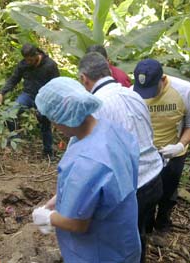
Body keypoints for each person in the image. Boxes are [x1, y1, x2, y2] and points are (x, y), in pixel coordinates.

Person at [32, 77, 141, 263]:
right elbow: (105, 185)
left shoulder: (87, 161)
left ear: (61, 118)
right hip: (124, 240)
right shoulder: (111, 130)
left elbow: (77, 224)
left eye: (53, 120)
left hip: (99, 252)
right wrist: (63, 197)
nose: (55, 127)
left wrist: (48, 218)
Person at [78, 52, 163, 262]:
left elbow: (90, 158)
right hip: (155, 176)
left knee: (120, 242)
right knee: (138, 234)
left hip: (134, 185)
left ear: (83, 79)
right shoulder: (133, 94)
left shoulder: (95, 106)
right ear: (108, 69)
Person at [133, 59, 190, 232]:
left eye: (151, 90)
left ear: (162, 79)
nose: (147, 95)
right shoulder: (132, 93)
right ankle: (146, 228)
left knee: (168, 192)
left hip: (174, 153)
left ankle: (163, 223)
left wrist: (179, 146)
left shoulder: (185, 91)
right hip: (146, 155)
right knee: (146, 193)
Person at [0, 43, 60, 157]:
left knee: (44, 123)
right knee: (10, 115)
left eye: (30, 60)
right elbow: (14, 79)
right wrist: (2, 93)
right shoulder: (23, 65)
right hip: (28, 95)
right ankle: (16, 144)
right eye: (26, 60)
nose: (28, 62)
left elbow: (57, 85)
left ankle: (48, 153)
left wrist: (52, 103)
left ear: (36, 55)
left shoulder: (50, 65)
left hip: (44, 98)